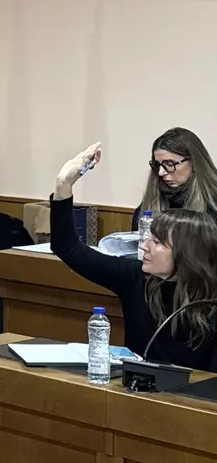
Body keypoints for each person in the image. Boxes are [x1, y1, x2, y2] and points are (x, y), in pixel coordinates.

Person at [53, 142, 217, 369]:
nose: (145, 247)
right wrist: (63, 185)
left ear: (186, 253)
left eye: (157, 242)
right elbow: (68, 248)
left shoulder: (210, 298)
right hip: (136, 386)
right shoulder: (135, 277)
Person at [130, 127, 217, 230]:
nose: (161, 172)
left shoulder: (213, 202)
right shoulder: (154, 197)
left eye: (169, 164)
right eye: (157, 164)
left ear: (194, 163)